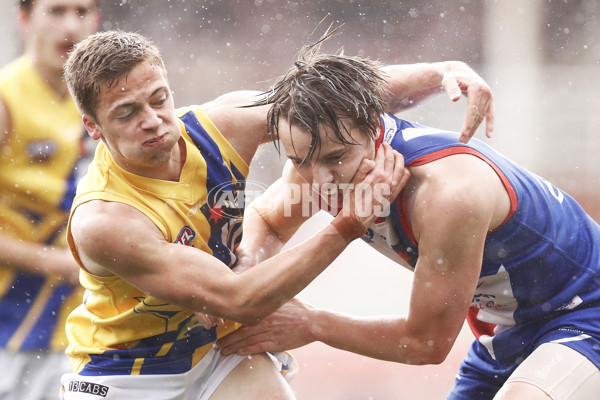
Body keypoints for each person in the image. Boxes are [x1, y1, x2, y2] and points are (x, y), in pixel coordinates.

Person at [59, 29, 494, 399]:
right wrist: (348, 223)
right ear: (93, 126)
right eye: (128, 113)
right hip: (122, 375)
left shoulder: (222, 126)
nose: (153, 121)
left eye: (159, 99)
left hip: (217, 351)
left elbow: (334, 100)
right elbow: (239, 301)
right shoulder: (106, 220)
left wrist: (442, 73)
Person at [215, 41, 600, 399]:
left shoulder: (447, 196)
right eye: (300, 161)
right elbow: (266, 222)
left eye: (336, 159)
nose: (320, 182)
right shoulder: (319, 152)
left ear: (376, 127)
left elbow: (426, 344)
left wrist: (313, 324)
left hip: (585, 312)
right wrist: (246, 272)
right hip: (504, 329)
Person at [0, 1, 100, 399]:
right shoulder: (7, 99)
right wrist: (62, 265)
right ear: (24, 19)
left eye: (82, 11)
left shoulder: (109, 101)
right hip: (13, 328)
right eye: (56, 11)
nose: (71, 26)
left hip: (85, 329)